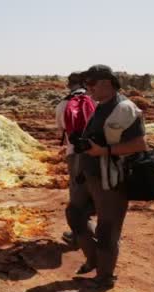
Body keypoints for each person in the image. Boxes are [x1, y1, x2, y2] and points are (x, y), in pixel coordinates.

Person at [65, 65, 147, 288]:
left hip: (112, 178)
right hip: (91, 175)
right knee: (74, 213)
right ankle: (93, 259)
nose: (87, 88)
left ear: (106, 83)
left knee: (107, 229)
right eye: (86, 84)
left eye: (91, 84)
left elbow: (140, 144)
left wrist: (104, 151)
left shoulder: (125, 108)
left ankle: (105, 276)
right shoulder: (100, 106)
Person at [55, 72, 95, 246]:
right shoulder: (96, 100)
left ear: (68, 85)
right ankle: (100, 231)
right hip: (98, 153)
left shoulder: (64, 104)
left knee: (77, 194)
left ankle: (79, 235)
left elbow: (61, 129)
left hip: (75, 154)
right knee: (97, 191)